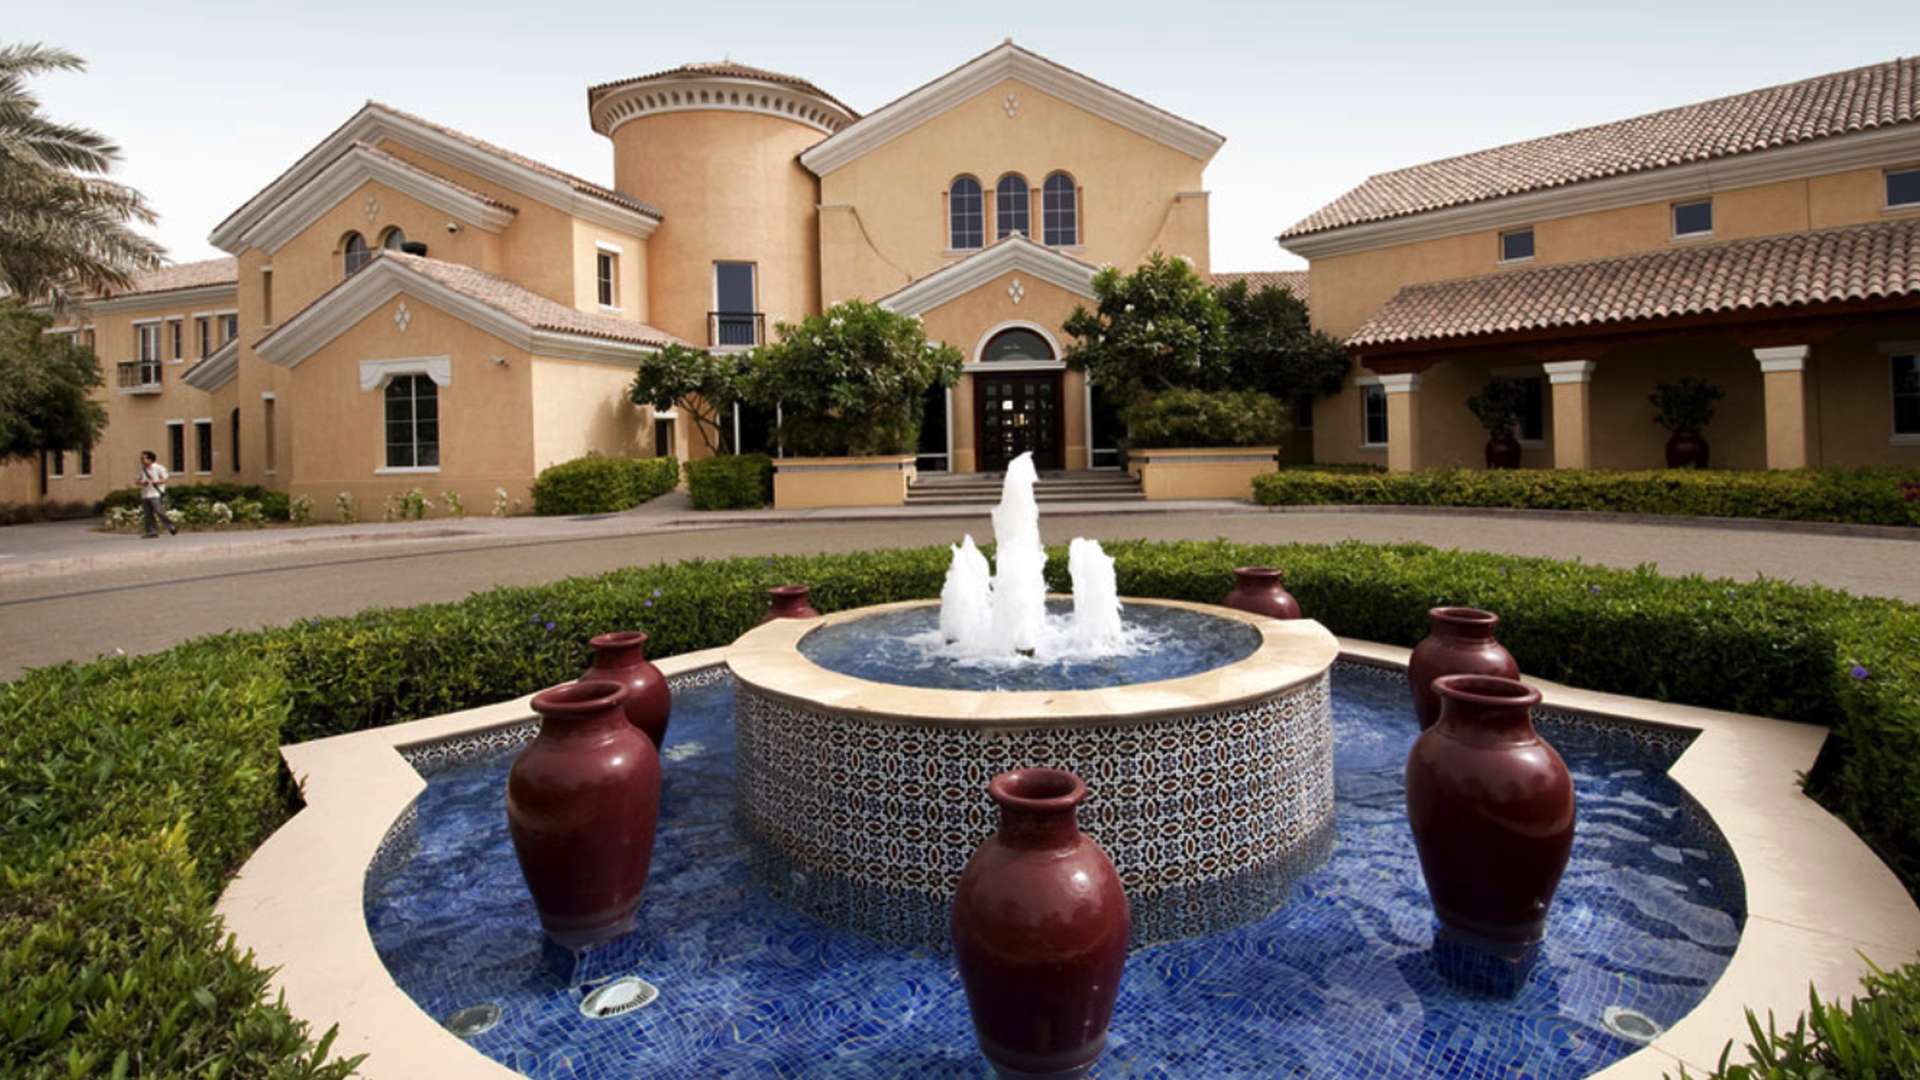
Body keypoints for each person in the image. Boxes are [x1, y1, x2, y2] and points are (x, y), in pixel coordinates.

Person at [137, 450, 176, 539]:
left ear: (150, 459)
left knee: (159, 511)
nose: (142, 460)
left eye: (143, 458)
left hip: (155, 493)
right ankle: (151, 531)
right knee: (148, 514)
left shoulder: (159, 468)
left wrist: (154, 482)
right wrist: (142, 482)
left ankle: (171, 526)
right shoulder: (143, 470)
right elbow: (138, 480)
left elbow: (165, 479)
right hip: (145, 494)